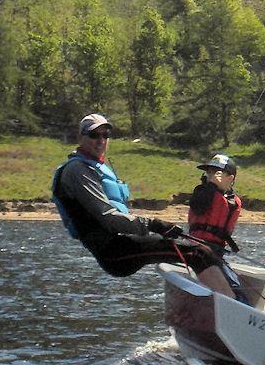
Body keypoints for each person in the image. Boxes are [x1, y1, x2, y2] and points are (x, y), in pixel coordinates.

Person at [51, 113, 223, 282]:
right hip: (114, 251)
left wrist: (156, 227)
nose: (101, 141)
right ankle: (227, 303)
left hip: (125, 243)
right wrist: (153, 224)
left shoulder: (94, 167)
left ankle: (225, 298)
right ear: (80, 137)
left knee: (205, 251)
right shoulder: (77, 171)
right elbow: (108, 217)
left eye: (106, 135)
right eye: (94, 135)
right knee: (199, 254)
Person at [187, 153, 246, 301]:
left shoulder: (233, 201)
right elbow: (198, 206)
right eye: (209, 172)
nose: (211, 175)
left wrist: (218, 190)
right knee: (229, 284)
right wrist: (213, 186)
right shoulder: (202, 192)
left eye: (217, 172)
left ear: (230, 178)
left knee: (235, 286)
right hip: (196, 250)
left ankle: (241, 308)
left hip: (215, 251)